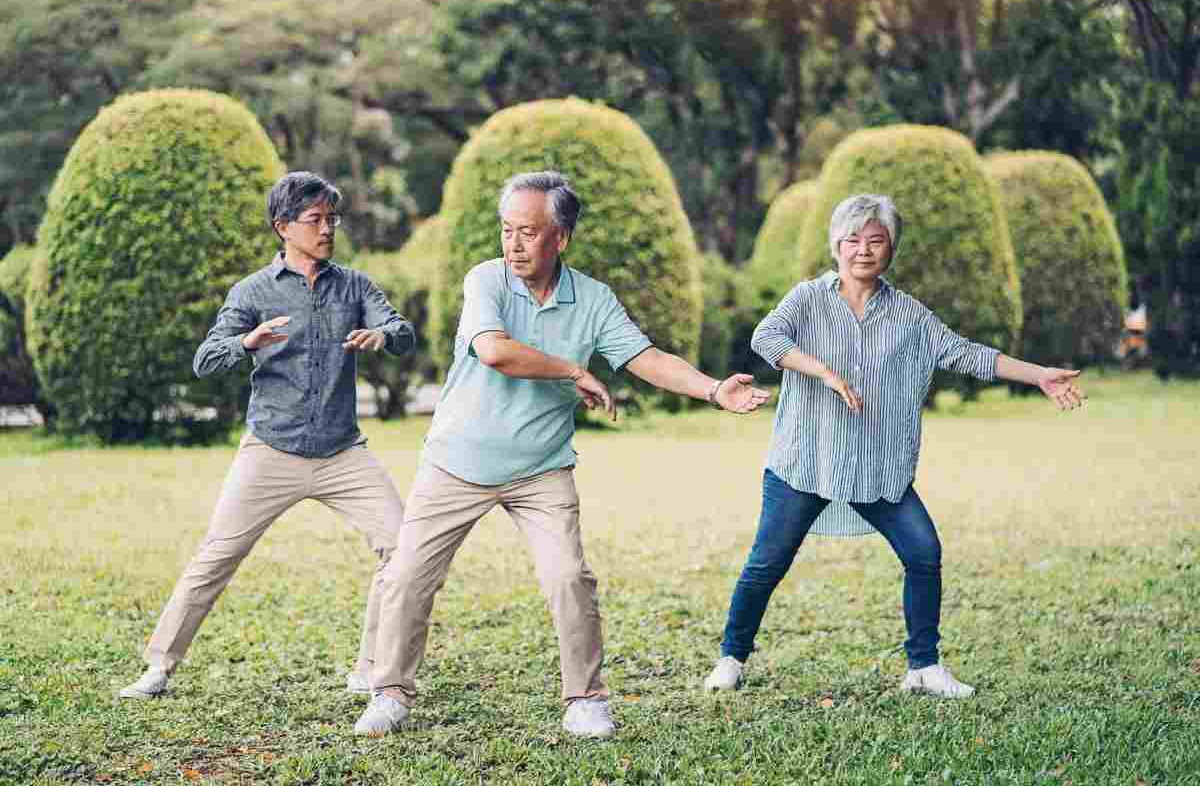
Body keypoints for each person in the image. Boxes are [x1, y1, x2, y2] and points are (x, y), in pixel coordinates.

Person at [352, 170, 770, 738]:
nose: (514, 243)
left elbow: (645, 356)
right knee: (406, 577)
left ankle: (586, 699)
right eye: (507, 230)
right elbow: (494, 352)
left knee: (570, 576)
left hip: (540, 468)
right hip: (457, 461)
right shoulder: (487, 281)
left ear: (561, 238)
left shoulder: (592, 299)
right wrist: (573, 369)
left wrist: (712, 389)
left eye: (528, 232)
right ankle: (390, 692)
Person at [703, 193, 1085, 698]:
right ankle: (732, 656)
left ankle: (923, 667)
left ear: (890, 250)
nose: (863, 250)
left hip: (876, 467)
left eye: (876, 240)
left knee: (923, 551)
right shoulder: (807, 299)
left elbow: (967, 354)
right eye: (853, 240)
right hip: (806, 458)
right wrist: (825, 372)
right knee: (767, 562)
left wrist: (1039, 376)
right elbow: (765, 338)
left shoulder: (908, 315)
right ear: (836, 246)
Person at [120, 172, 415, 699]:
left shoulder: (355, 285)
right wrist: (248, 341)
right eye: (315, 220)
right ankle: (158, 667)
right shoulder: (252, 291)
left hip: (342, 451)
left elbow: (402, 331)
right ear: (283, 226)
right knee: (216, 556)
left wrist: (382, 335)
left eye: (332, 220)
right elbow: (205, 359)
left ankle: (372, 667)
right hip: (270, 450)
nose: (327, 230)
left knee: (403, 547)